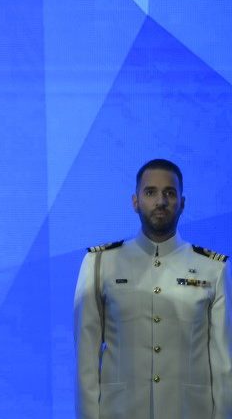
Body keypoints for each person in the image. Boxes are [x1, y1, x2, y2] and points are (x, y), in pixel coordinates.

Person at [74, 159, 232, 418]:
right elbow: (86, 362)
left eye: (170, 193)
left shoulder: (213, 269)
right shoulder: (100, 263)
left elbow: (224, 364)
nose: (161, 201)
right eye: (150, 192)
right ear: (135, 201)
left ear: (182, 203)